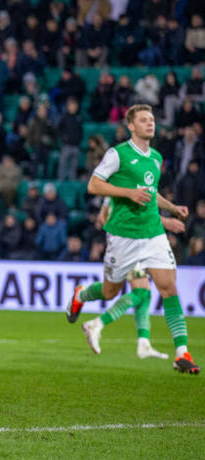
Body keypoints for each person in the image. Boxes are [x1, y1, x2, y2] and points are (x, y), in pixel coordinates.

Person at [65, 104, 199, 374]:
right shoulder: (118, 154)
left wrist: (172, 208)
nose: (150, 123)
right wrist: (128, 193)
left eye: (152, 119)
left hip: (153, 234)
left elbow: (150, 192)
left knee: (169, 288)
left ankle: (182, 353)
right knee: (110, 292)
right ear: (131, 126)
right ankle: (81, 294)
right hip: (123, 237)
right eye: (144, 120)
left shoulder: (156, 157)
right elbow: (93, 185)